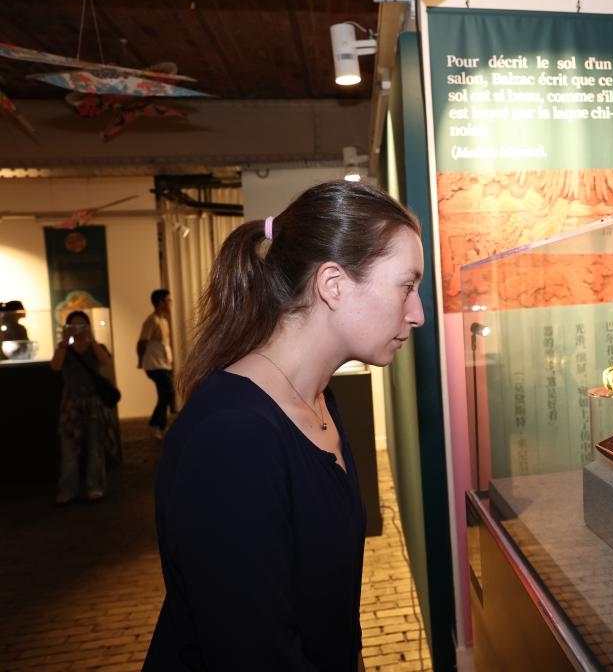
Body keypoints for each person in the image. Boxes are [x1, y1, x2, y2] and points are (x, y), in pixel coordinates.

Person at [143, 181, 425, 671]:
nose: (417, 313)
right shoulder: (232, 438)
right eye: (407, 285)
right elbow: (251, 651)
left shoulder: (318, 402)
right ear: (333, 285)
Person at [50, 310, 118, 504]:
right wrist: (64, 342)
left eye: (82, 325)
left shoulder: (95, 347)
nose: (78, 329)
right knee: (69, 447)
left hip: (93, 400)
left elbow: (104, 361)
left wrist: (92, 339)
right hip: (71, 401)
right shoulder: (64, 348)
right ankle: (67, 490)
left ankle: (94, 487)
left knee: (95, 445)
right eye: (74, 326)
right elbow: (55, 366)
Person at [137, 289, 175, 439]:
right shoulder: (151, 321)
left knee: (164, 394)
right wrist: (140, 361)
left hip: (164, 364)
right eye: (168, 301)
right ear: (160, 303)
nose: (170, 304)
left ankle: (162, 426)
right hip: (154, 365)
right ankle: (154, 424)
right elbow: (141, 342)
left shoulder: (164, 321)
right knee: (169, 391)